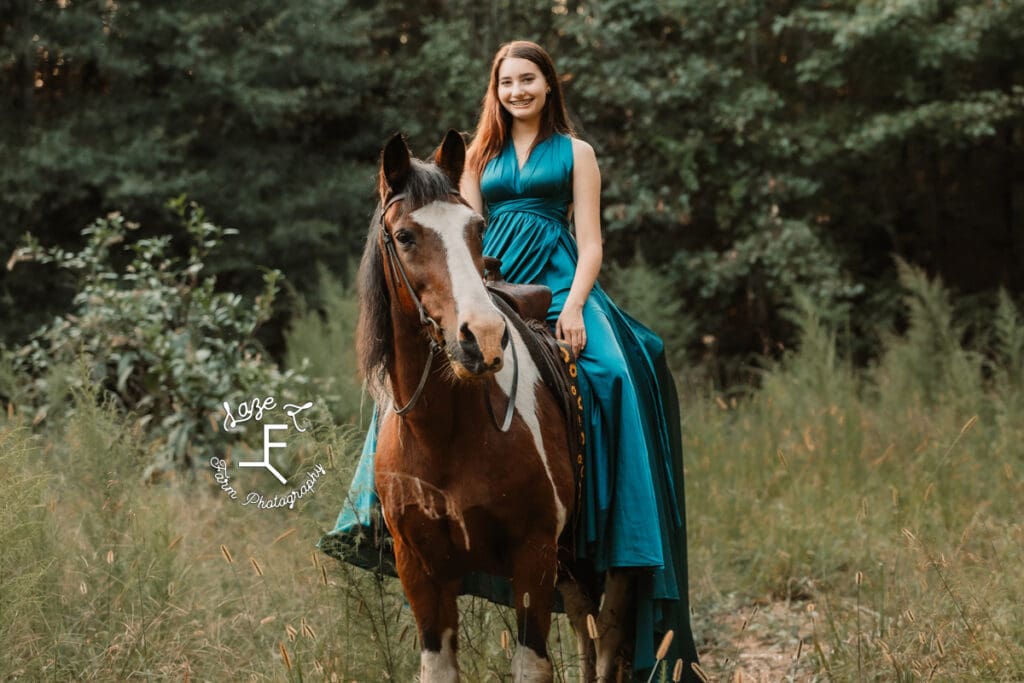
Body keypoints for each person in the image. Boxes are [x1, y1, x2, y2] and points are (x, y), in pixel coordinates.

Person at [320, 39, 701, 679]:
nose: (517, 91)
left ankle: (618, 523)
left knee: (613, 373)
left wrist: (576, 307)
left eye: (529, 80)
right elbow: (461, 225)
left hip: (559, 280)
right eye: (506, 82)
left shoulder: (578, 154)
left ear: (549, 86)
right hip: (486, 278)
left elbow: (591, 241)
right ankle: (375, 510)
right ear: (494, 90)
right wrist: (474, 290)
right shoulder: (477, 154)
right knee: (408, 385)